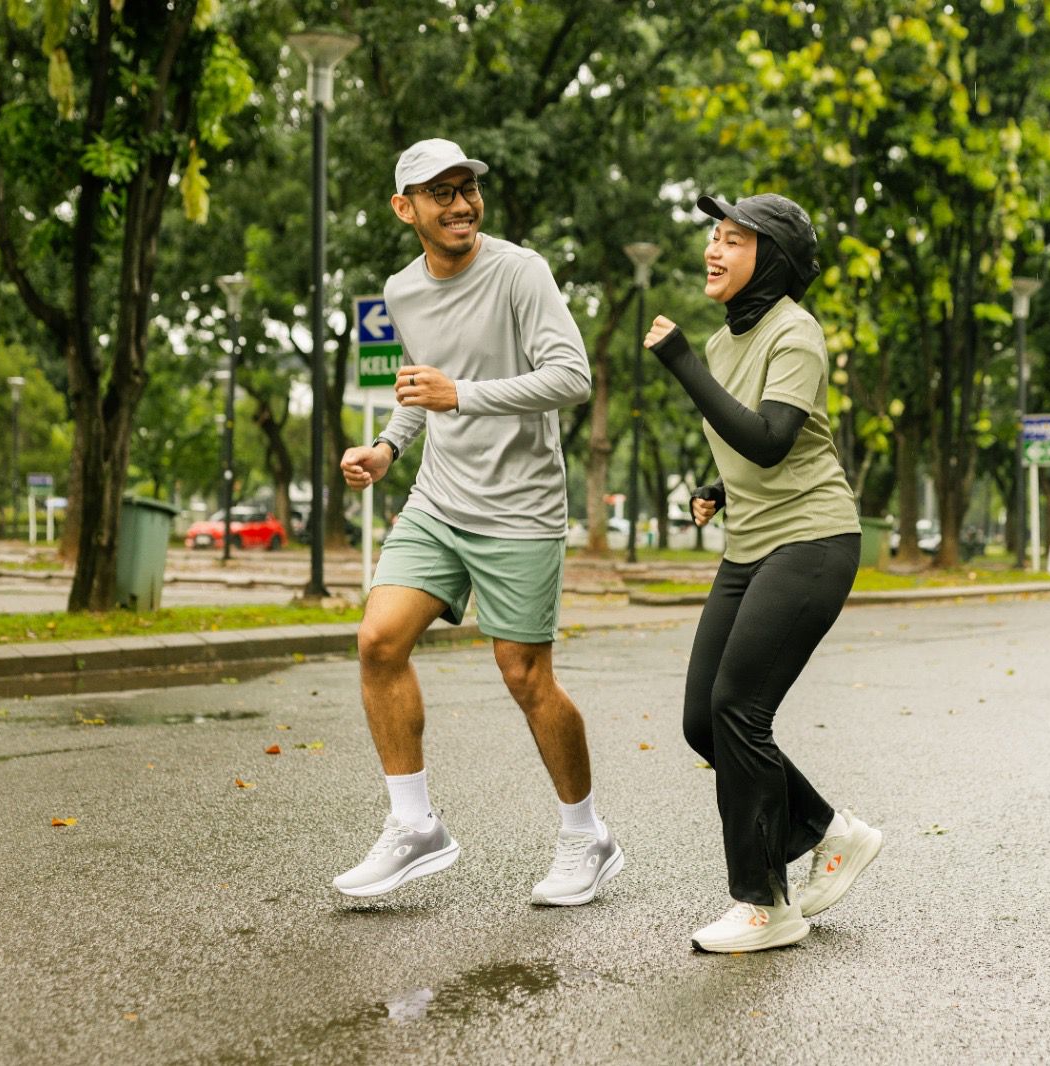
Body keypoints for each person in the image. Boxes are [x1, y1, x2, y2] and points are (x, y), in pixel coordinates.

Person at [332, 138, 622, 907]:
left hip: (521, 507)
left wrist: (463, 394)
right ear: (406, 209)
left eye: (467, 189)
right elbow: (418, 386)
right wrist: (388, 448)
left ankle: (585, 835)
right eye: (441, 194)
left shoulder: (520, 272)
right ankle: (414, 824)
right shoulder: (402, 291)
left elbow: (571, 376)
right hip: (438, 499)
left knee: (525, 676)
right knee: (376, 641)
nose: (461, 205)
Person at [643, 192, 884, 953]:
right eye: (713, 235)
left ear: (771, 259)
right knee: (701, 720)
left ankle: (763, 903)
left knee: (740, 707)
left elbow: (777, 441)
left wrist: (677, 359)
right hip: (747, 546)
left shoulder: (796, 335)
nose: (713, 250)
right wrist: (717, 490)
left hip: (812, 541)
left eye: (734, 240)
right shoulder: (723, 345)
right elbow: (745, 443)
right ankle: (827, 830)